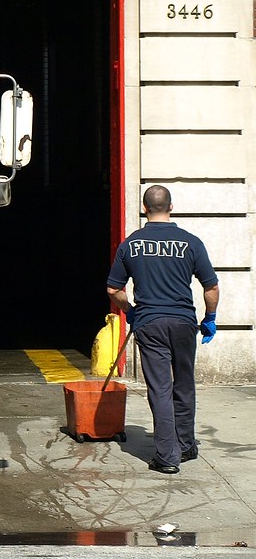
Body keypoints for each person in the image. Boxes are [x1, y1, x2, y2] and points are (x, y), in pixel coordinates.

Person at [106, 185, 219, 474]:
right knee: (184, 384)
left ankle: (168, 457)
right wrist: (210, 317)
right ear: (171, 206)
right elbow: (211, 286)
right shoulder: (191, 243)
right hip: (183, 323)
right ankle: (185, 445)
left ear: (145, 209)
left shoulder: (130, 244)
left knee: (160, 388)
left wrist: (130, 311)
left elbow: (113, 288)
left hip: (150, 323)